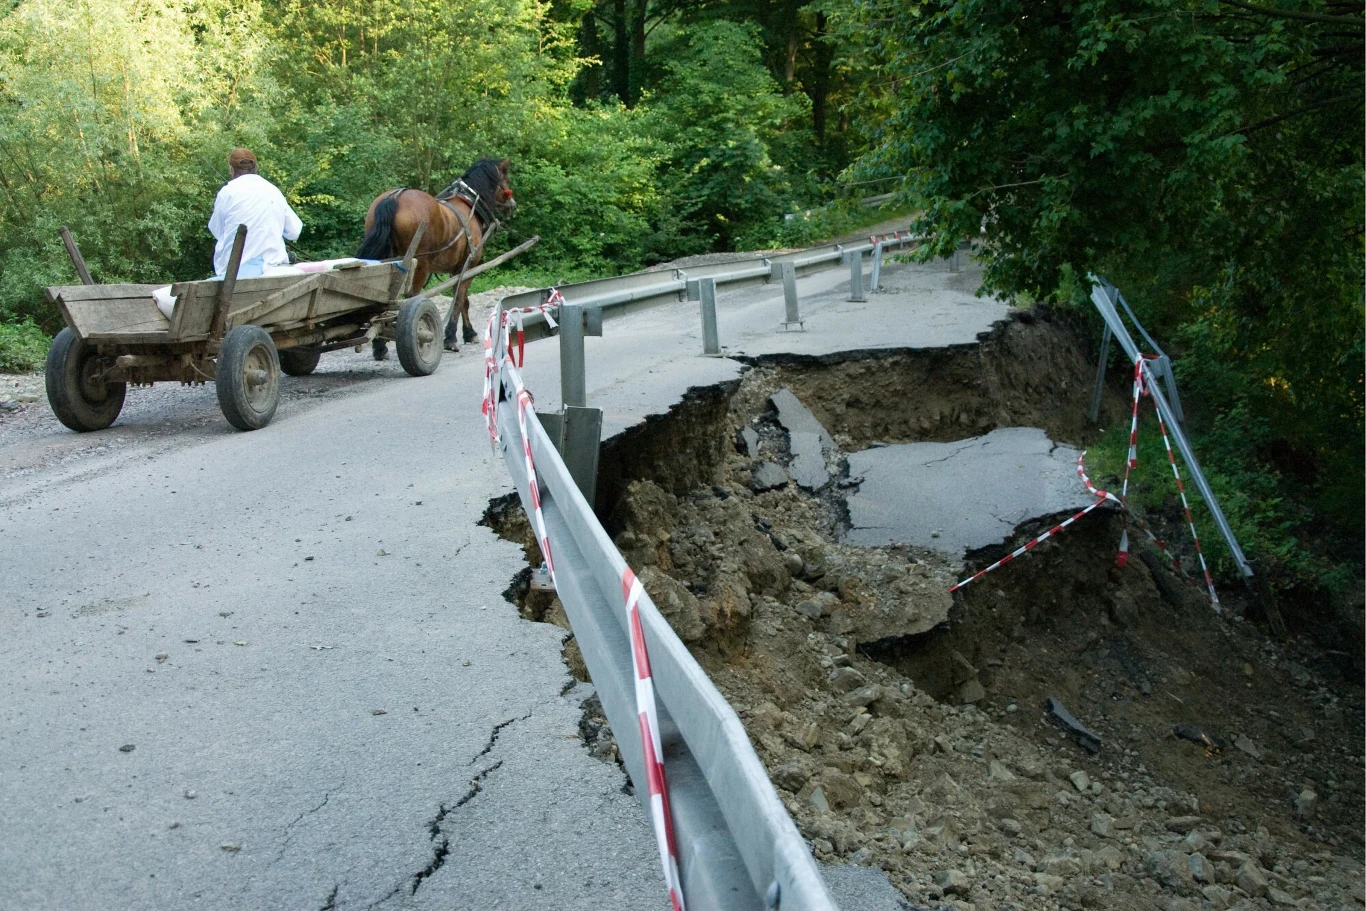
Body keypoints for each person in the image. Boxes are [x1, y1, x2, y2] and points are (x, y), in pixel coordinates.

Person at [208, 148, 303, 278]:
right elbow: (294, 231)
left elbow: (217, 231)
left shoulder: (227, 192)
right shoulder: (273, 190)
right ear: (256, 167)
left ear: (232, 170)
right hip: (272, 265)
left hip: (233, 272)